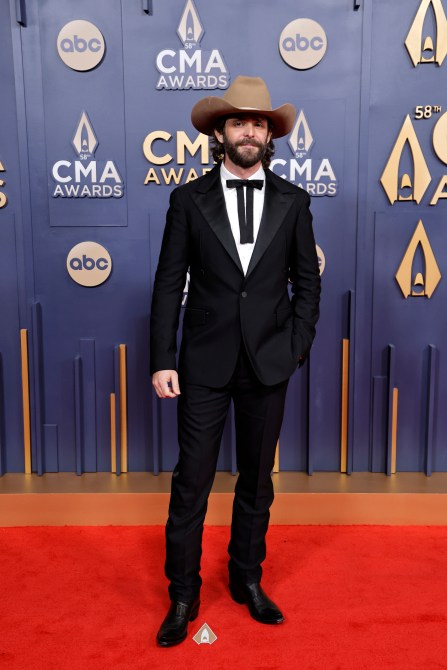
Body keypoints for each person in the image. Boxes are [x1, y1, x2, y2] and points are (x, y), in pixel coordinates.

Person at [151, 76, 321, 647]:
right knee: (191, 482)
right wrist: (162, 358)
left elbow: (307, 283)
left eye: (259, 124)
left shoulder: (295, 201)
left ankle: (247, 579)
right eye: (239, 122)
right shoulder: (187, 200)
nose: (249, 132)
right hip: (202, 362)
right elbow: (168, 282)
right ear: (220, 133)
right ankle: (183, 594)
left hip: (269, 362)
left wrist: (296, 345)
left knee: (256, 481)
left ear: (270, 136)